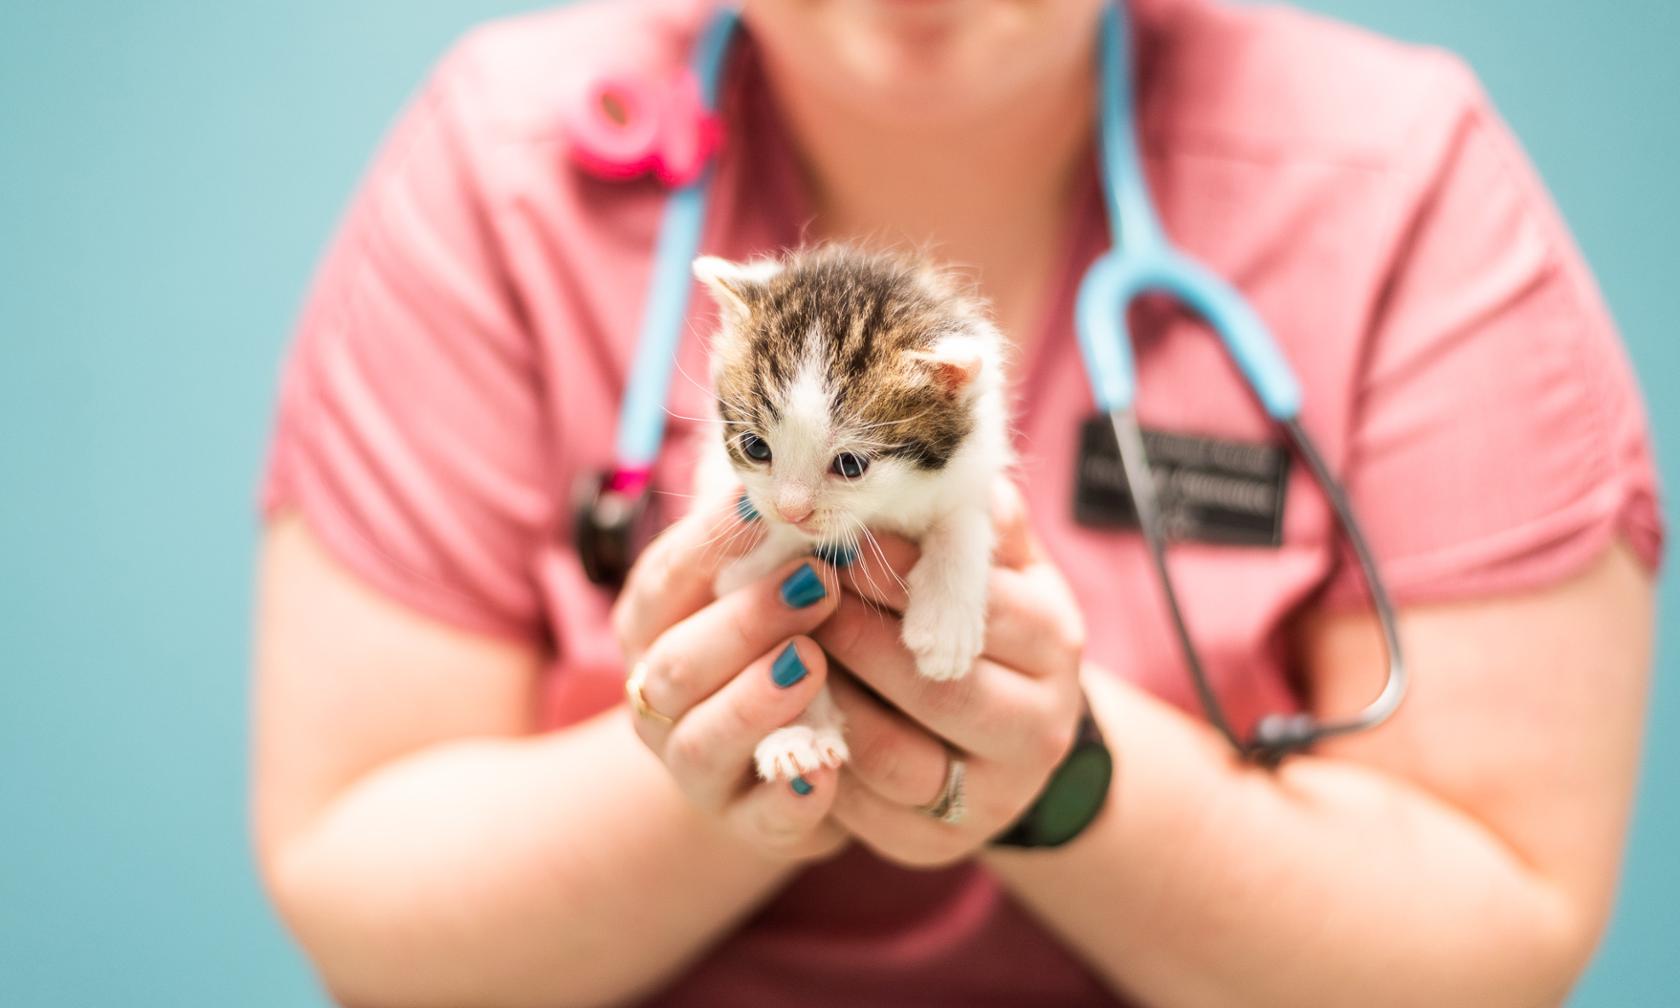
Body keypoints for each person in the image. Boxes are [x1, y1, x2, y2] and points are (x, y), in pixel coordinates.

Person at [249, 0, 1663, 1004]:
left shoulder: (1395, 180)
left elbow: (1498, 934)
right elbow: (362, 897)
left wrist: (1052, 774)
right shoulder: (505, 166)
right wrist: (723, 740)